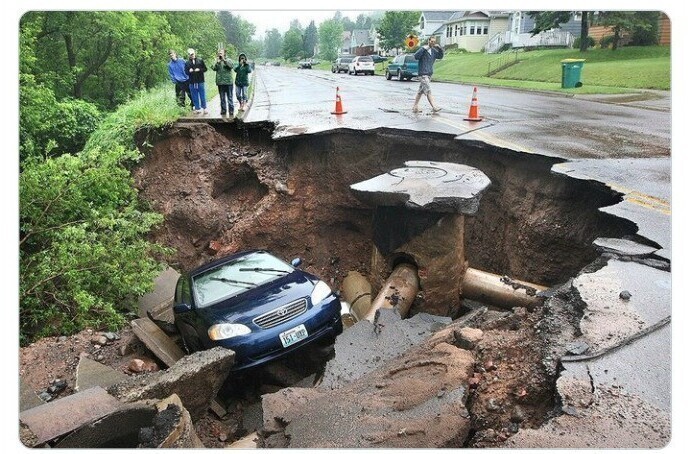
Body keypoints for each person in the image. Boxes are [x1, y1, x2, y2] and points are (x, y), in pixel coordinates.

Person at [412, 36, 444, 113]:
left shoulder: (433, 51)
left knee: (421, 91)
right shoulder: (423, 49)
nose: (433, 43)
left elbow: (440, 56)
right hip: (423, 74)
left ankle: (415, 107)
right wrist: (425, 48)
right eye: (431, 41)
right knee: (428, 90)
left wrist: (439, 48)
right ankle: (434, 107)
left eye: (434, 41)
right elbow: (416, 56)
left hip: (429, 74)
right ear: (428, 41)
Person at [185, 48, 208, 115]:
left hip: (200, 81)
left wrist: (199, 69)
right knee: (194, 95)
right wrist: (189, 71)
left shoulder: (200, 60)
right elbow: (186, 72)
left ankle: (204, 108)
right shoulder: (187, 63)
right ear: (188, 55)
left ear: (194, 53)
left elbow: (205, 69)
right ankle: (197, 108)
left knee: (202, 95)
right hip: (192, 81)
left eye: (192, 54)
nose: (191, 55)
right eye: (190, 54)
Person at [213, 49, 234, 117]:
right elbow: (214, 68)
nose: (220, 54)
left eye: (221, 53)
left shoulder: (229, 60)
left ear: (224, 53)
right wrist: (217, 62)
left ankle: (231, 111)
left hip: (228, 82)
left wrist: (224, 60)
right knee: (222, 98)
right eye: (219, 53)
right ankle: (223, 110)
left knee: (230, 97)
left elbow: (231, 66)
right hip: (220, 82)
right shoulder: (217, 61)